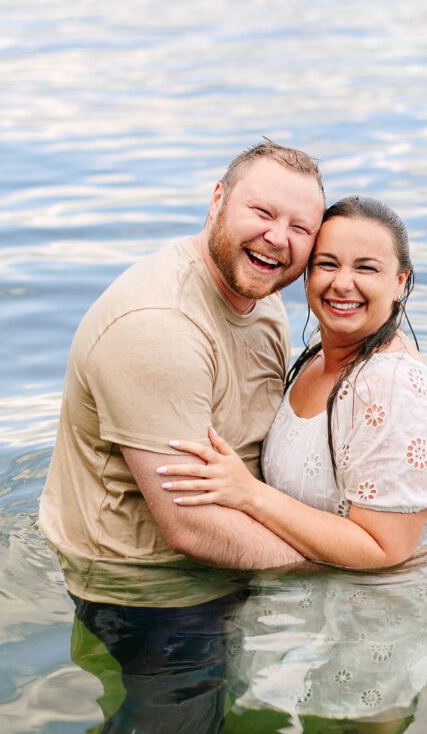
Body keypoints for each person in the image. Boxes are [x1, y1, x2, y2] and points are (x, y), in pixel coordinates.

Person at [39, 139, 327, 607]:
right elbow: (191, 527)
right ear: (217, 200)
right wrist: (349, 562)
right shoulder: (158, 324)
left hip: (237, 564)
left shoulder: (263, 299)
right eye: (262, 212)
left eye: (300, 227)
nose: (278, 237)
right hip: (148, 595)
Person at [157, 195, 427, 572]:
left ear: (400, 282)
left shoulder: (394, 386)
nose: (342, 283)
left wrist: (249, 494)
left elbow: (386, 550)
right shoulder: (319, 354)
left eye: (366, 269)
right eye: (327, 264)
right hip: (298, 597)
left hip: (373, 616)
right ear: (306, 274)